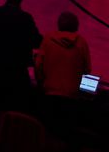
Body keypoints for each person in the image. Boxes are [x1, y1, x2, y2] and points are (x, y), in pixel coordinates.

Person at [36, 11, 92, 140]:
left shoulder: (48, 39)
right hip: (70, 98)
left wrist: (41, 83)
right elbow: (87, 69)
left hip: (49, 95)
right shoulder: (81, 43)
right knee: (64, 137)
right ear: (76, 26)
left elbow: (38, 65)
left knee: (47, 134)